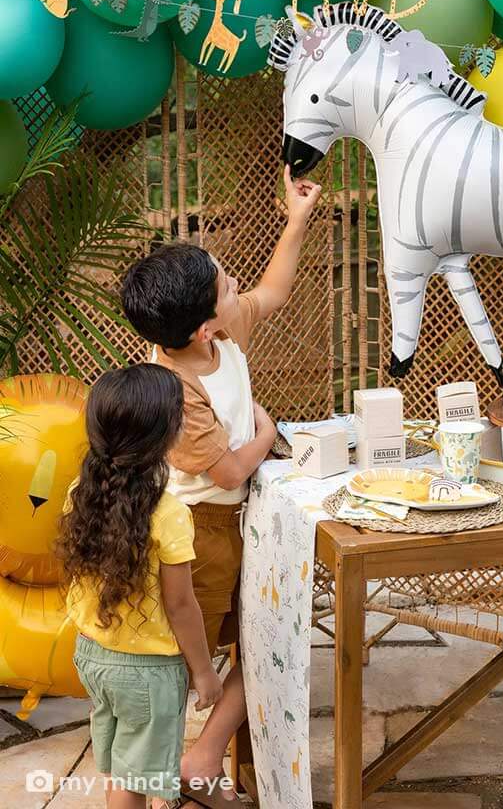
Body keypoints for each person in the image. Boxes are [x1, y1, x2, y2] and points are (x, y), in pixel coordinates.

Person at [120, 166, 322, 804]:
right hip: (196, 540)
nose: (240, 287)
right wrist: (268, 429)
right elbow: (230, 469)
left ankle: (202, 761)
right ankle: (156, 783)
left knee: (267, 644)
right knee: (185, 672)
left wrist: (296, 220)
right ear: (205, 326)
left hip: (240, 526)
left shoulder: (219, 336)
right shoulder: (175, 390)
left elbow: (275, 291)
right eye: (227, 284)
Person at [59, 365, 222, 808]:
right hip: (147, 674)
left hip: (93, 657)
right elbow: (182, 605)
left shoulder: (81, 491)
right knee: (135, 780)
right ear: (168, 435)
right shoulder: (168, 514)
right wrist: (204, 672)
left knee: (119, 767)